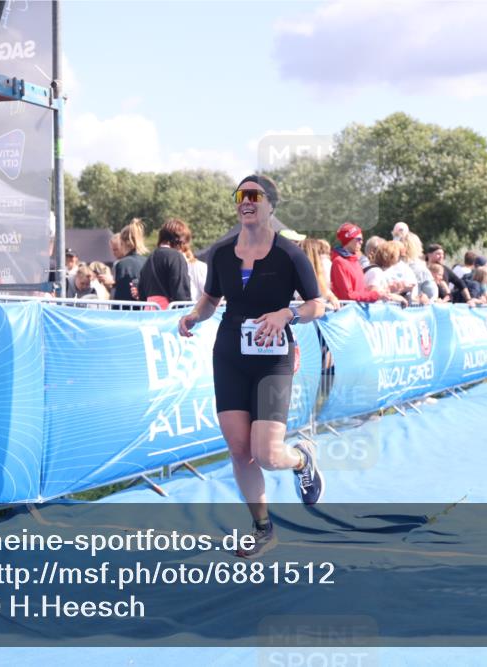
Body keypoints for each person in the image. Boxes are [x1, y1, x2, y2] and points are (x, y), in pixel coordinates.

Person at [178, 175, 326, 559]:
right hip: (229, 355)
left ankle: (301, 459)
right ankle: (263, 528)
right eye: (240, 195)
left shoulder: (289, 254)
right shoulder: (223, 253)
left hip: (273, 359)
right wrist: (195, 316)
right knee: (239, 450)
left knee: (267, 453)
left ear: (270, 205)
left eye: (254, 196)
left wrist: (286, 313)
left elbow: (317, 305)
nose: (246, 201)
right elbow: (210, 299)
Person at [331, 223, 403, 304]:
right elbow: (347, 296)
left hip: (357, 311)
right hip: (348, 313)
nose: (361, 242)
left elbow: (361, 291)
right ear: (349, 239)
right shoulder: (339, 262)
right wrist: (376, 295)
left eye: (362, 239)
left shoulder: (354, 261)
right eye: (358, 239)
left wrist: (385, 293)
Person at [138, 218, 192, 308]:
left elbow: (142, 292)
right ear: (180, 240)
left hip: (150, 314)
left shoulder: (149, 259)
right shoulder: (175, 257)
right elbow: (181, 293)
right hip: (170, 316)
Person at [110, 219, 149, 302]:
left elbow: (121, 296)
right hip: (146, 310)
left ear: (122, 243)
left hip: (128, 312)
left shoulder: (123, 264)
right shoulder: (147, 261)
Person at [300, 238, 340, 310]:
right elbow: (299, 299)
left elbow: (327, 293)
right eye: (320, 252)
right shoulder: (298, 274)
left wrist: (331, 297)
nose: (323, 255)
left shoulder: (320, 274)